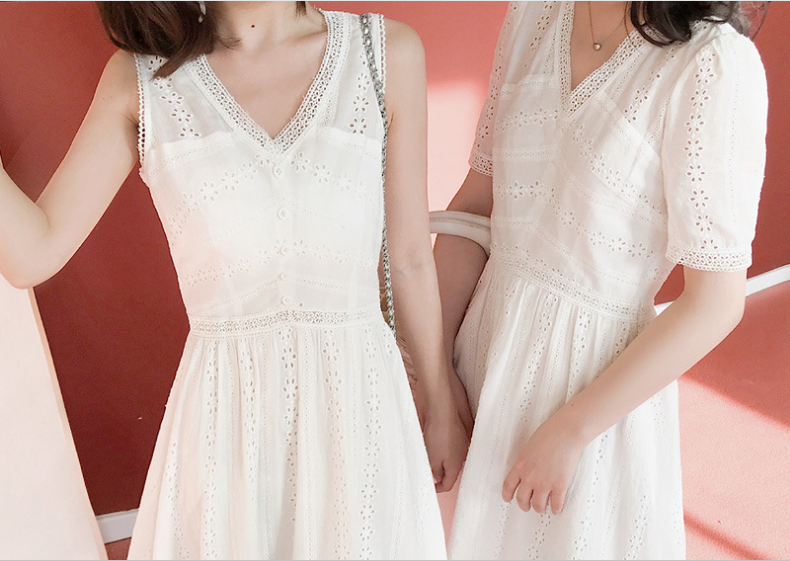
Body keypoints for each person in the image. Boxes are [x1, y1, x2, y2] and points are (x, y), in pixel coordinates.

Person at [0, 1, 469, 558]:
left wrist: (440, 402)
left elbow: (410, 257)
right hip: (228, 424)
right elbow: (34, 253)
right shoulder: (142, 79)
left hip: (361, 409)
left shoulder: (384, 52)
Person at [433, 1, 768, 559]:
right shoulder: (535, 15)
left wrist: (571, 431)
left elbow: (716, 301)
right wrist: (437, 378)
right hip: (481, 359)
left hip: (594, 395)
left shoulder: (712, 63)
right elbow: (473, 209)